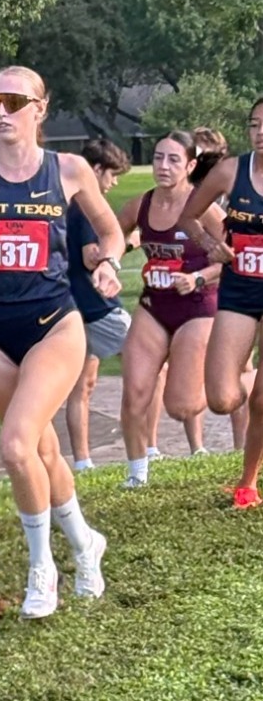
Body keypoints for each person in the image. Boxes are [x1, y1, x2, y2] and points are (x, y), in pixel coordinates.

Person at [0, 66, 122, 618]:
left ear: (40, 109)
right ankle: (86, 542)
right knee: (41, 450)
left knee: (16, 446)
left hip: (53, 324)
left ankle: (42, 568)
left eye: (15, 102)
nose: (1, 112)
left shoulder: (67, 169)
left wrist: (109, 263)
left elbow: (110, 230)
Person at [116, 131, 225, 487]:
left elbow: (233, 258)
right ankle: (136, 474)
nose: (163, 166)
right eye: (158, 157)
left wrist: (198, 277)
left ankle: (229, 379)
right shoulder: (141, 205)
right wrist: (105, 258)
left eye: (174, 159)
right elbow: (112, 235)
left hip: (198, 306)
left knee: (180, 406)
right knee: (134, 393)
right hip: (154, 305)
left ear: (191, 166)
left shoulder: (204, 209)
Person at [181, 96, 263, 507]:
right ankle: (253, 380)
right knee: (221, 398)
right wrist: (210, 244)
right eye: (255, 124)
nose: (261, 132)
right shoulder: (232, 171)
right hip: (240, 289)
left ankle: (247, 484)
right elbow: (189, 216)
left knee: (262, 401)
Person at [65, 138, 135, 472]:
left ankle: (83, 461)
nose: (114, 183)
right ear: (95, 170)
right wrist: (128, 244)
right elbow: (90, 257)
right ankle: (147, 449)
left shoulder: (66, 203)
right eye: (112, 174)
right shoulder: (86, 208)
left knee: (82, 387)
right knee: (151, 365)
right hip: (97, 305)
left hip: (71, 305)